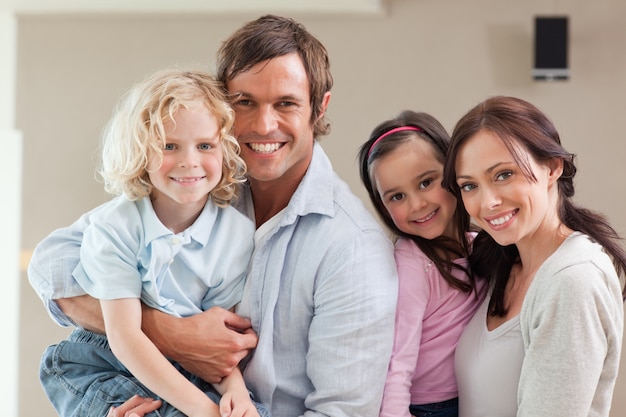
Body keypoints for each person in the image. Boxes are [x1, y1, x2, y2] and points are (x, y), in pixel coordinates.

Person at [28, 14, 399, 417]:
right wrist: (171, 333)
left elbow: (341, 412)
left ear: (318, 107)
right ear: (222, 108)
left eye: (286, 103)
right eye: (245, 103)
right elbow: (52, 264)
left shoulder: (353, 247)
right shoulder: (199, 186)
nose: (263, 124)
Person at [38, 68, 270, 417]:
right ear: (141, 152)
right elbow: (126, 337)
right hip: (102, 362)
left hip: (184, 367)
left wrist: (235, 394)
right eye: (169, 146)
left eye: (205, 145)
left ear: (225, 150)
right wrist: (206, 412)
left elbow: (216, 344)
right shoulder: (116, 226)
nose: (189, 161)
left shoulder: (235, 235)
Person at [442, 95, 626, 417]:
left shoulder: (572, 279)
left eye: (503, 175)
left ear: (553, 167)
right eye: (469, 186)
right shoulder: (505, 262)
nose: (487, 203)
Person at [358, 110, 486, 417]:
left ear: (454, 171)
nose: (417, 204)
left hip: (474, 397)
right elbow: (396, 361)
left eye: (426, 182)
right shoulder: (414, 263)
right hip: (430, 407)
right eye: (397, 196)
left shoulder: (480, 243)